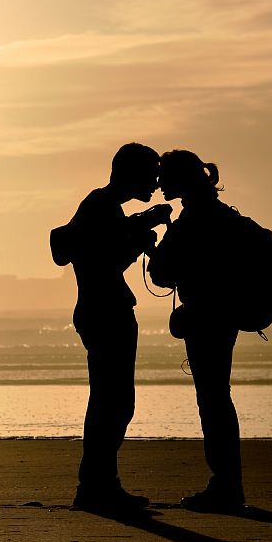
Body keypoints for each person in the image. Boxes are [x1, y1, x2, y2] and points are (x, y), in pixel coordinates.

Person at [60, 143, 168, 516]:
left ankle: (98, 485)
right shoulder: (102, 206)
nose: (156, 181)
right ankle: (97, 486)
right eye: (151, 173)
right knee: (114, 403)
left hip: (100, 310)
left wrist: (139, 225)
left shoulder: (103, 206)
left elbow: (99, 248)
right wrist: (139, 239)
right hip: (106, 312)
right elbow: (104, 262)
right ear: (130, 174)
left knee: (111, 402)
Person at [148, 149, 246, 512]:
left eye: (165, 177)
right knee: (217, 397)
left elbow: (162, 273)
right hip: (223, 316)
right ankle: (227, 484)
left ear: (182, 179)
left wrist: (154, 247)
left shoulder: (194, 219)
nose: (159, 183)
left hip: (207, 318)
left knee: (213, 400)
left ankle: (226, 487)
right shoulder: (219, 214)